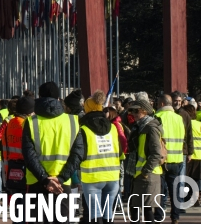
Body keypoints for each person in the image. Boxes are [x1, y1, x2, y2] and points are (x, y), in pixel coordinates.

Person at [22, 82, 83, 224]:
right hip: (62, 184)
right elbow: (78, 154)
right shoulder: (72, 121)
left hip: (37, 182)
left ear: (39, 97)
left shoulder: (31, 122)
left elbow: (29, 155)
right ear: (58, 98)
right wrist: (60, 179)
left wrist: (45, 179)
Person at [79, 91, 121, 223]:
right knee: (108, 214)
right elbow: (119, 151)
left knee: (95, 214)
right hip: (113, 175)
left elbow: (80, 153)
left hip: (92, 176)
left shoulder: (84, 129)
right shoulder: (113, 127)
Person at [123, 99, 163, 222]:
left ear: (145, 111)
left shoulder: (151, 128)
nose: (133, 114)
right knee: (134, 207)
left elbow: (156, 153)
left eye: (136, 111)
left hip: (148, 175)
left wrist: (145, 171)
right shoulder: (139, 127)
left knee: (147, 209)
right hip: (138, 174)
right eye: (132, 111)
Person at [0, 96, 33, 221]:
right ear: (28, 112)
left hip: (11, 170)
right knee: (27, 209)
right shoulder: (26, 124)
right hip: (26, 170)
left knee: (17, 210)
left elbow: (1, 144)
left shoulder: (9, 123)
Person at [154, 94, 186, 223]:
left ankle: (159, 216)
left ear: (161, 104)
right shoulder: (179, 118)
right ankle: (175, 217)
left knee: (160, 191)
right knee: (175, 190)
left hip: (162, 160)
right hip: (177, 158)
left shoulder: (157, 117)